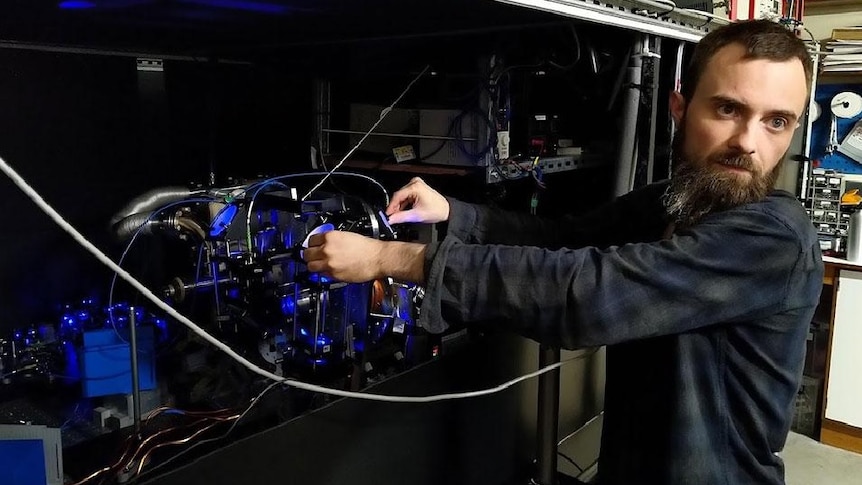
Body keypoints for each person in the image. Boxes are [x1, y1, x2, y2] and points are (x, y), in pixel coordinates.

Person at [304, 19, 822, 485]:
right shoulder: (674, 200)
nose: (748, 142)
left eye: (775, 121)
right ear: (679, 108)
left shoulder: (774, 238)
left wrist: (389, 259)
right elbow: (564, 239)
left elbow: (590, 294)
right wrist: (454, 214)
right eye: (728, 109)